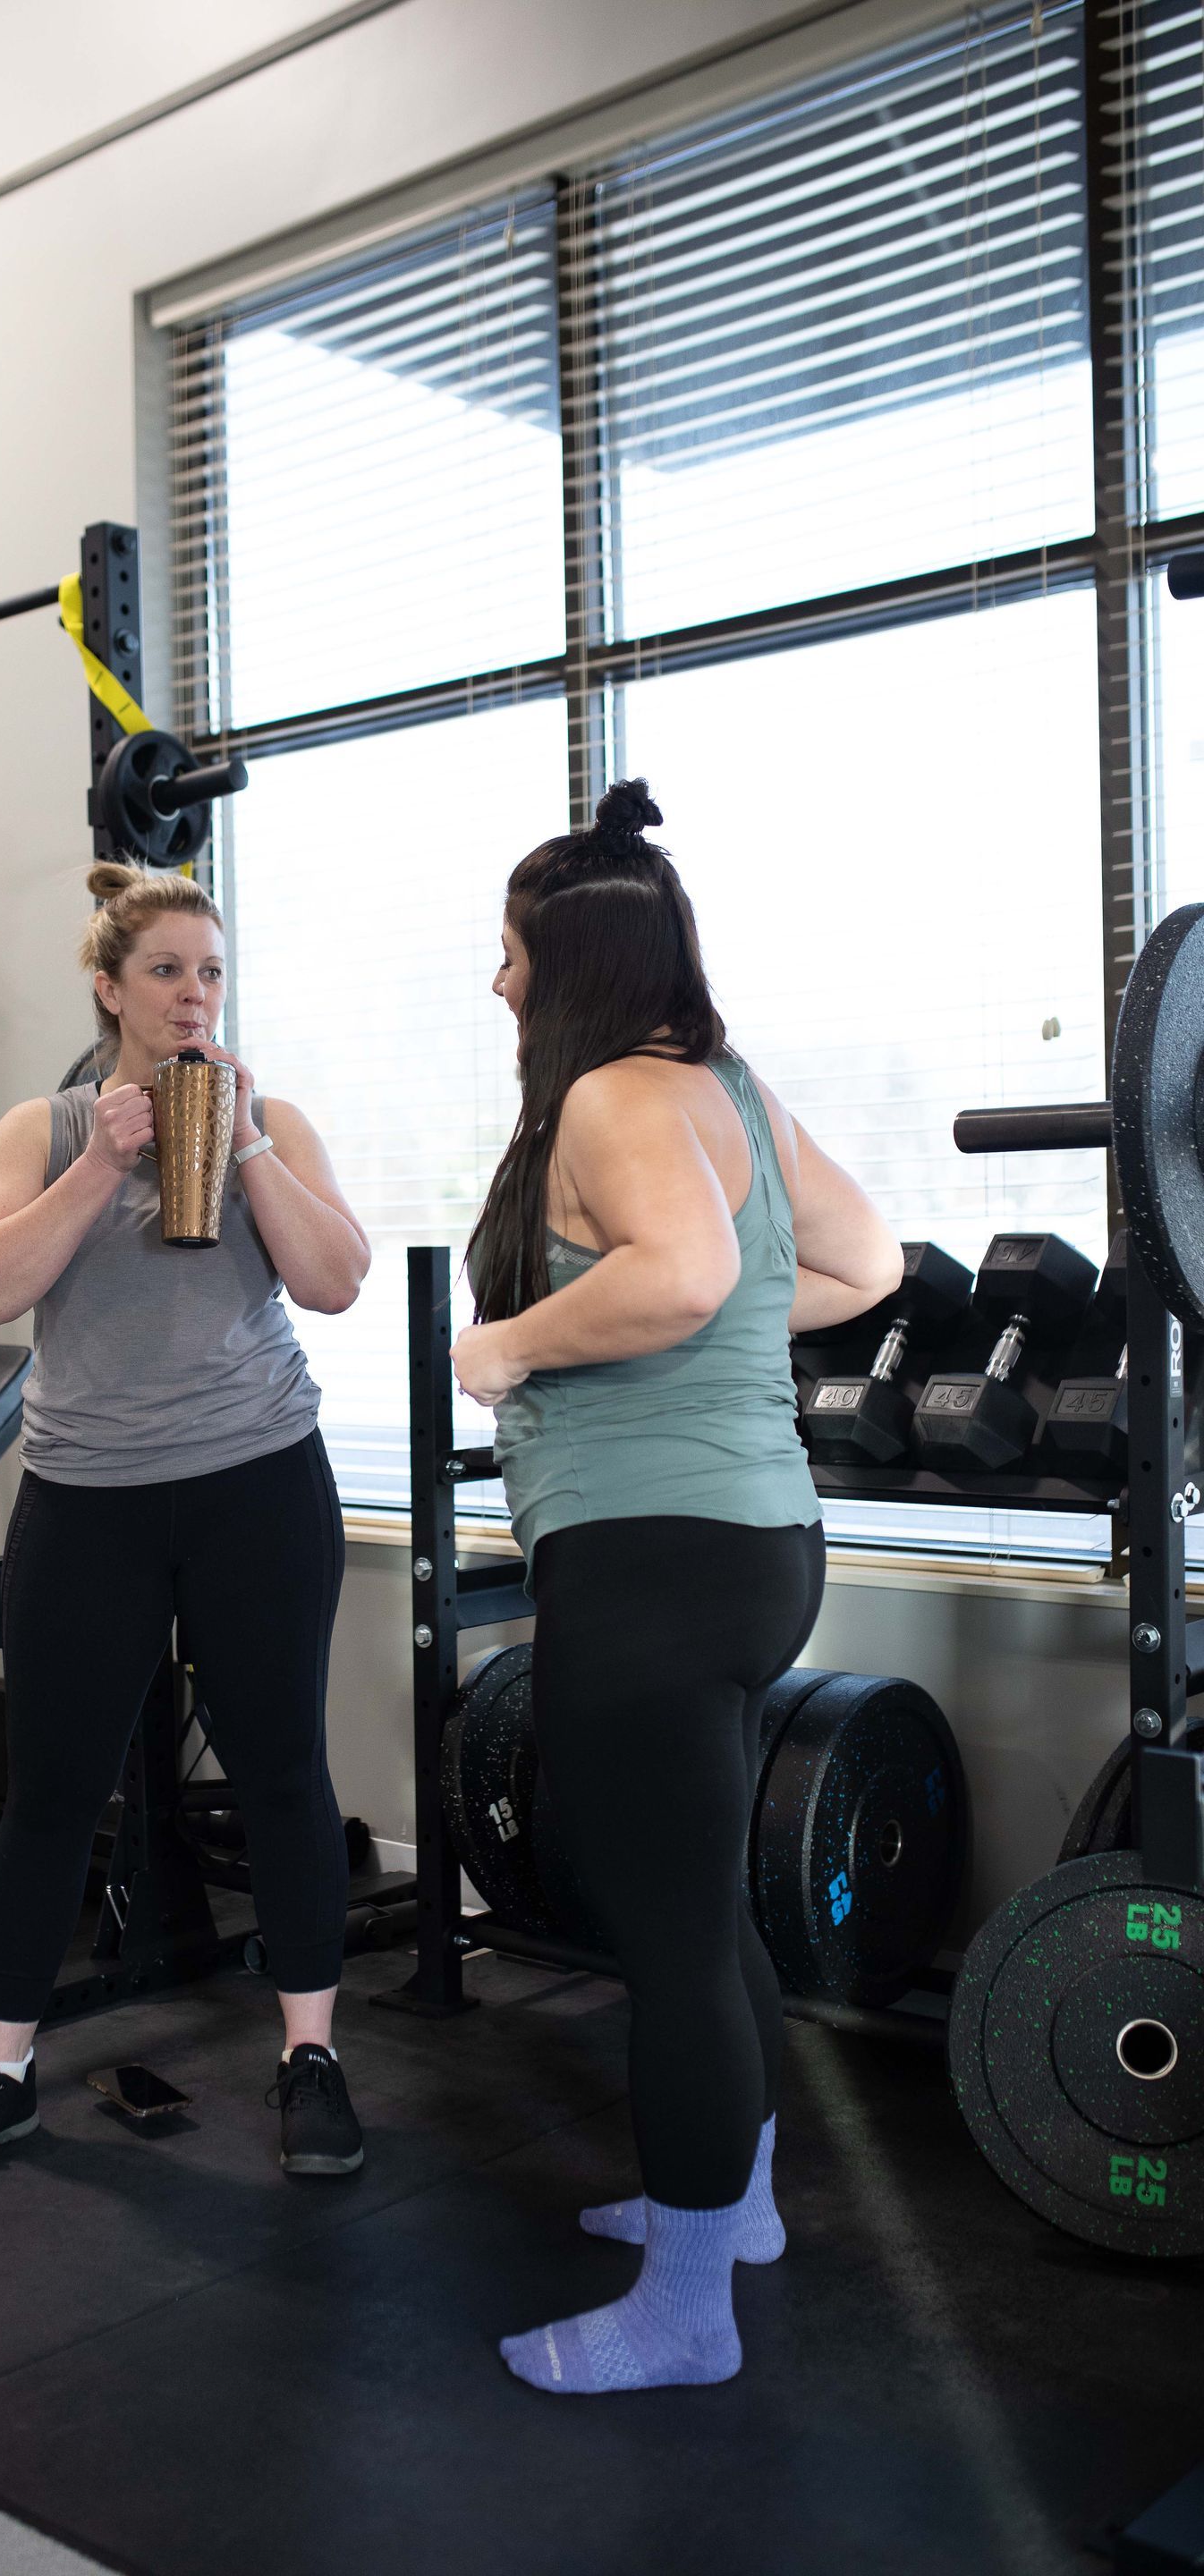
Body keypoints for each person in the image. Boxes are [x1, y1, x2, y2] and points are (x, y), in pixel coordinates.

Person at [451, 780, 902, 2394]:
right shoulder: (729, 1091)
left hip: (650, 1560)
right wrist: (700, 1322)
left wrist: (507, 1347)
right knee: (706, 1914)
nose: (498, 980)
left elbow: (694, 1272)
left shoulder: (608, 1099)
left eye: (510, 954)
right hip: (756, 1548)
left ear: (566, 965)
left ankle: (685, 2314)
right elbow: (863, 1267)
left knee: (672, 1945)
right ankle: (736, 2208)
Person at [0, 860, 372, 2187]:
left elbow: (336, 1280)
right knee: (51, 1794)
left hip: (255, 1481)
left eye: (210, 971)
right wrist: (104, 1161)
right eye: (165, 970)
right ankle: (0, 2075)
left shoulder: (273, 1116)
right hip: (88, 1499)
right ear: (109, 987)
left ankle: (310, 2059)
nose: (192, 993)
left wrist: (249, 1143)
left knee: (283, 1776)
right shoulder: (42, 1131)